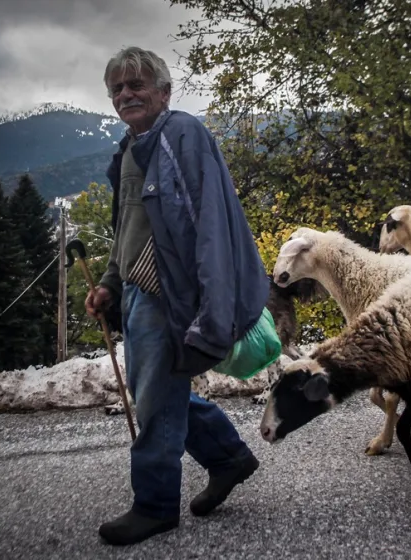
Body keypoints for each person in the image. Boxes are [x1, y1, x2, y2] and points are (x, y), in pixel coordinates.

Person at [85, 46, 270, 546]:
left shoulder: (182, 134)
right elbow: (127, 227)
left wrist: (212, 307)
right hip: (136, 292)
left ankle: (155, 506)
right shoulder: (130, 149)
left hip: (169, 294)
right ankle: (229, 458)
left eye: (137, 84)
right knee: (164, 395)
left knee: (155, 402)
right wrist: (109, 281)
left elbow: (209, 225)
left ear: (164, 92)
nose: (126, 94)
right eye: (118, 88)